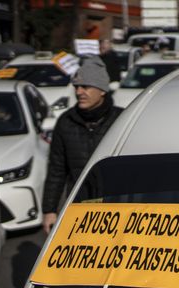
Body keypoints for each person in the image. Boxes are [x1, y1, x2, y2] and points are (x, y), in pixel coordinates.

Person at [41, 57, 123, 234]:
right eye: (76, 87)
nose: (79, 92)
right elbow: (56, 170)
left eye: (85, 87)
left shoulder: (122, 119)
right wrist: (49, 210)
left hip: (118, 207)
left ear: (102, 90)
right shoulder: (66, 122)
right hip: (80, 207)